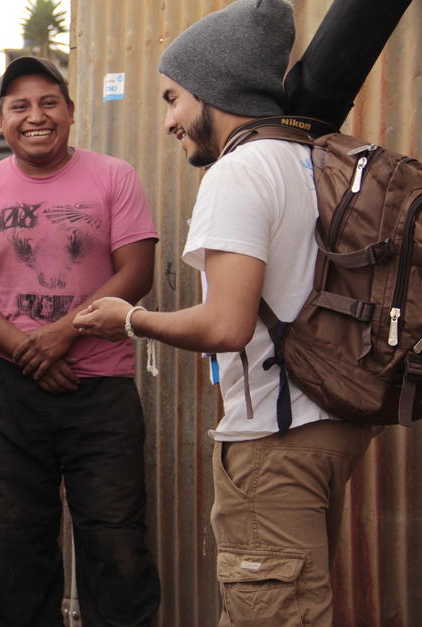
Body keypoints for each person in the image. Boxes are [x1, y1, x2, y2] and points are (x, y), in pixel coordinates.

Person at [72, 1, 376, 625]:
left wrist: (127, 320)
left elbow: (226, 325)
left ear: (215, 89)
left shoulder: (239, 172)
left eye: (173, 98)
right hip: (331, 427)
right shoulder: (313, 159)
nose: (169, 121)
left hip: (274, 441)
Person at [0, 56, 161, 626]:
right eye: (20, 106)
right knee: (14, 549)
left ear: (70, 112)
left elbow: (136, 270)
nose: (35, 116)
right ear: (0, 120)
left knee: (116, 543)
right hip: (8, 393)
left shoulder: (115, 176)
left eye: (48, 103)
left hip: (102, 389)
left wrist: (64, 334)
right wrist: (26, 351)